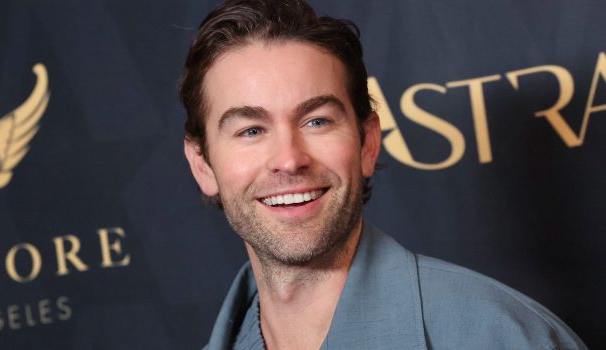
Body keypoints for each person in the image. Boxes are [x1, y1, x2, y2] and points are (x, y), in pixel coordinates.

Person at [179, 0, 587, 349]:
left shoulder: (501, 336)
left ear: (368, 143)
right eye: (251, 130)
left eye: (317, 121)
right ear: (203, 165)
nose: (288, 160)